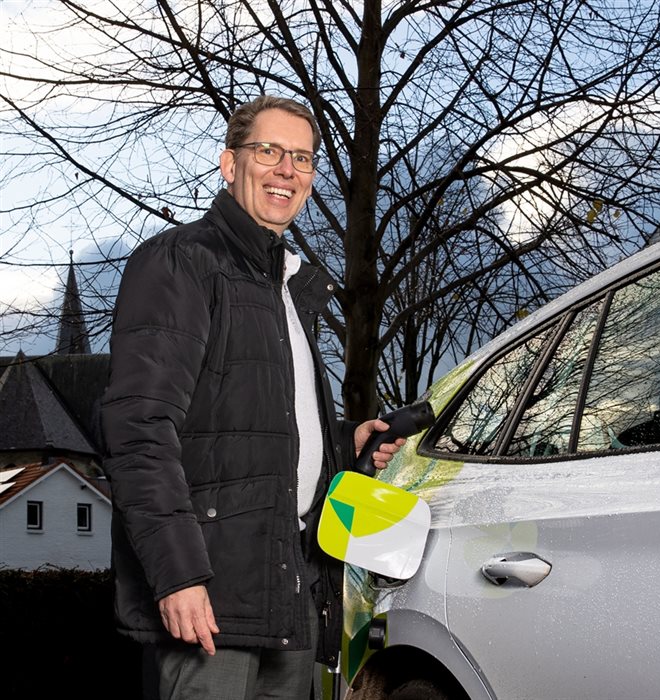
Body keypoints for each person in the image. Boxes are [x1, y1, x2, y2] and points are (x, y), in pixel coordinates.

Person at [100, 94, 405, 700]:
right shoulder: (183, 262)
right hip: (209, 597)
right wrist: (177, 574)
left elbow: (252, 431)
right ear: (228, 163)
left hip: (288, 591)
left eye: (303, 158)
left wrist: (346, 444)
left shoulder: (288, 289)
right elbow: (139, 428)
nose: (287, 169)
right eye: (269, 150)